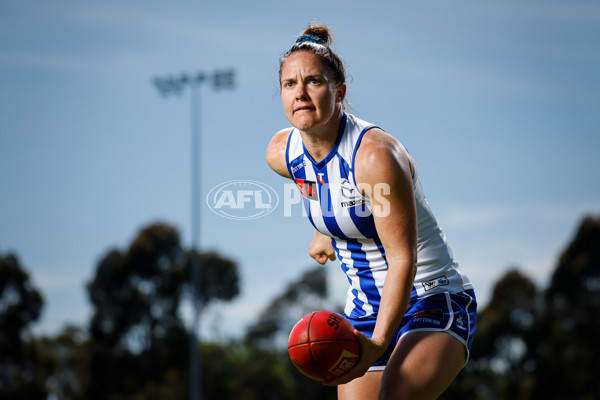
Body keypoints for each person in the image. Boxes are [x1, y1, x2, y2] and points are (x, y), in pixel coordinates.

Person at [266, 23, 476, 400]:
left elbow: (402, 258)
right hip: (364, 308)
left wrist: (379, 342)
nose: (300, 93)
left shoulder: (374, 157)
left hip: (431, 298)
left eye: (313, 81)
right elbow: (323, 184)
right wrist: (326, 229)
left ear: (339, 91)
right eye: (289, 84)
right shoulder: (283, 154)